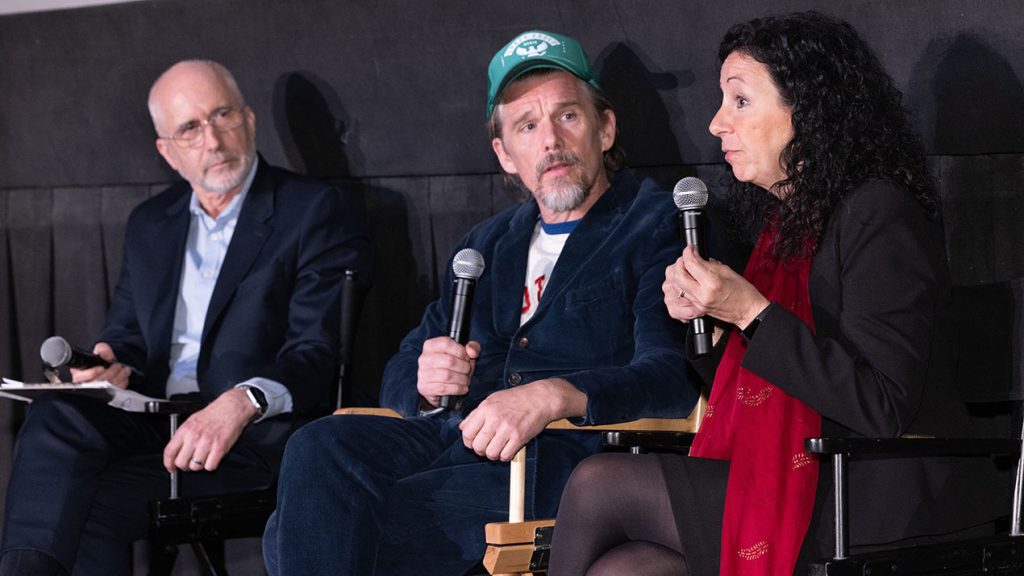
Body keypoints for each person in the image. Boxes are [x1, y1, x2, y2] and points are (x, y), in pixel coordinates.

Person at [548, 11, 1006, 576]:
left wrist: (751, 312)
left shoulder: (878, 213)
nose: (716, 123)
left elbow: (881, 403)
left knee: (601, 483)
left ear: (809, 111)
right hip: (806, 474)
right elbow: (766, 388)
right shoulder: (785, 229)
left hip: (876, 494)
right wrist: (714, 326)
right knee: (625, 569)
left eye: (740, 101)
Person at [262, 30, 699, 575]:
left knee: (309, 533)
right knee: (319, 443)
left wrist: (558, 394)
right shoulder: (487, 243)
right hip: (450, 440)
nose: (550, 141)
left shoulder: (655, 226)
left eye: (567, 115)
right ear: (504, 154)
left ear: (605, 128)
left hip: (559, 459)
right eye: (527, 125)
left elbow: (671, 377)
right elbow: (404, 362)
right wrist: (424, 381)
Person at [0, 60, 373, 576]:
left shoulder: (312, 211)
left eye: (222, 115)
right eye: (190, 128)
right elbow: (128, 336)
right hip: (157, 420)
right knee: (57, 413)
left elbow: (317, 353)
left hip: (251, 439)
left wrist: (242, 401)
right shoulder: (151, 223)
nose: (213, 140)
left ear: (248, 119)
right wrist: (107, 362)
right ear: (166, 151)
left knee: (87, 506)